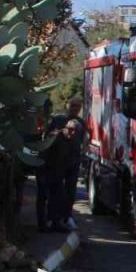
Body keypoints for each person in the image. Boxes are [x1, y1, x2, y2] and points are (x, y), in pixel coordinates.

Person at [38, 118, 82, 232]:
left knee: (59, 198)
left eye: (75, 131)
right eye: (70, 129)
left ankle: (56, 222)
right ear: (65, 128)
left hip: (58, 173)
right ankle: (42, 224)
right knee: (43, 197)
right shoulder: (55, 137)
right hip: (46, 171)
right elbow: (43, 153)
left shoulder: (72, 141)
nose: (72, 132)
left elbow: (72, 158)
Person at [48, 97, 85, 230]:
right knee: (56, 191)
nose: (75, 109)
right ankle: (53, 218)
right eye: (73, 106)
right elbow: (48, 137)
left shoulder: (81, 122)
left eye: (78, 106)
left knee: (71, 191)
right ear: (67, 106)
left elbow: (82, 141)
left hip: (73, 162)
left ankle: (67, 217)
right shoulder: (58, 120)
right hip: (58, 162)